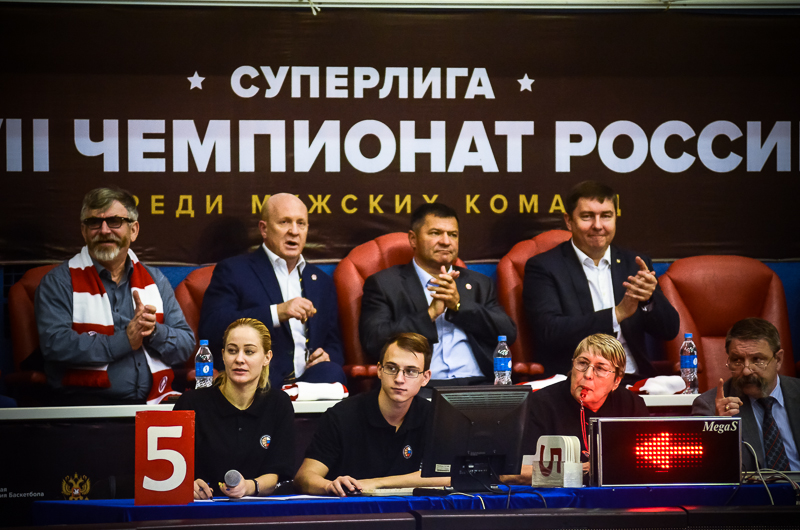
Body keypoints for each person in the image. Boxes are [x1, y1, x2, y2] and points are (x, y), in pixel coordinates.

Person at [35, 187, 194, 405]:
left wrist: (153, 331)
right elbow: (55, 345)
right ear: (84, 231)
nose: (104, 230)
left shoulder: (155, 280)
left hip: (155, 405)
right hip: (85, 407)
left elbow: (185, 345)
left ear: (134, 230)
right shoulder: (59, 282)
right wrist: (124, 341)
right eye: (94, 222)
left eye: (114, 221)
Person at [523, 180, 680, 382]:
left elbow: (669, 330)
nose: (598, 226)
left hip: (632, 378)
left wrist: (649, 300)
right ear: (569, 220)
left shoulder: (634, 264)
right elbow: (549, 332)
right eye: (587, 216)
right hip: (576, 382)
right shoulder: (544, 267)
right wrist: (617, 314)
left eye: (606, 216)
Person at [359, 203, 516, 388]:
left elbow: (507, 334)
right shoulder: (384, 284)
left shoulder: (479, 284)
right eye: (435, 233)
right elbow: (374, 341)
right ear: (413, 239)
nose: (446, 241)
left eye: (453, 235)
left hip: (480, 384)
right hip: (418, 388)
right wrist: (430, 314)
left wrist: (459, 306)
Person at [199, 193, 345, 389]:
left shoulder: (321, 282)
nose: (294, 231)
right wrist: (276, 313)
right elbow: (212, 328)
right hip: (259, 383)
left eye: (301, 223)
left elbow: (334, 344)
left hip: (309, 384)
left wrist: (327, 356)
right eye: (284, 222)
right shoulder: (234, 271)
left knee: (333, 372)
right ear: (264, 229)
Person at [294, 332, 450, 496]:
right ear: (379, 370)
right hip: (351, 508)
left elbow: (448, 476)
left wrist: (376, 483)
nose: (399, 378)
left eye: (411, 371)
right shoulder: (341, 416)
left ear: (425, 378)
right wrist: (329, 486)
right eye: (391, 368)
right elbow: (305, 477)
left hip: (412, 509)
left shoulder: (436, 417)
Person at [173, 318, 296, 499]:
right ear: (223, 355)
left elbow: (276, 474)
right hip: (201, 508)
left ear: (267, 357)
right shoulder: (190, 404)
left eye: (249, 351)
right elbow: (170, 471)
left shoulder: (279, 403)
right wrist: (184, 484)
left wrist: (248, 487)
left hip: (258, 509)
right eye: (232, 351)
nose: (239, 359)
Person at [518, 334, 648, 479]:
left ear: (616, 381)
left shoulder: (632, 405)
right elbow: (512, 473)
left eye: (600, 368)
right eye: (582, 363)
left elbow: (646, 466)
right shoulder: (539, 405)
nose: (588, 374)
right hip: (558, 493)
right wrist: (579, 470)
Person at [692, 318, 800, 471]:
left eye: (757, 360)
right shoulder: (710, 408)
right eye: (737, 360)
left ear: (778, 360)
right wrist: (719, 433)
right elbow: (704, 473)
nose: (746, 371)